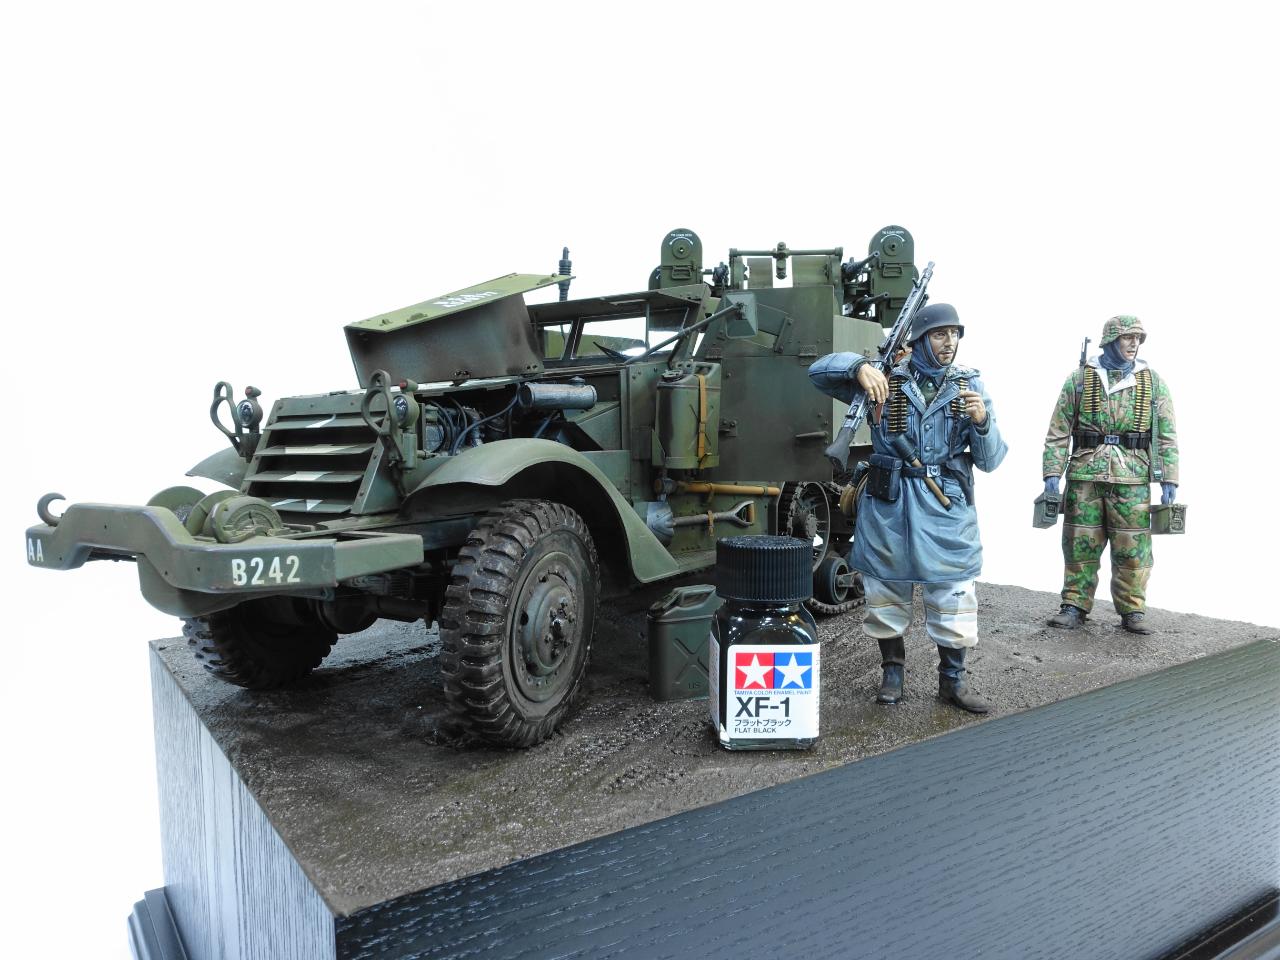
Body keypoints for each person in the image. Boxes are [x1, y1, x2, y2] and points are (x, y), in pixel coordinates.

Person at [808, 303, 1007, 713]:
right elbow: (818, 372)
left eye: (954, 334)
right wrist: (858, 368)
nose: (949, 342)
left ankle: (952, 681)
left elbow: (990, 461)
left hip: (945, 503)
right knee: (884, 591)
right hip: (890, 502)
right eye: (939, 334)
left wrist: (982, 421)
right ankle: (892, 672)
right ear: (918, 340)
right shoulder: (884, 379)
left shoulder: (969, 384)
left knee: (954, 594)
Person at [1042, 316, 1178, 634]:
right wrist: (1052, 472)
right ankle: (1074, 605)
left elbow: (1166, 435)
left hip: (1132, 477)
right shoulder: (1080, 379)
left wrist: (1169, 477)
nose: (1134, 344)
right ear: (1110, 341)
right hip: (1085, 475)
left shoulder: (1152, 382)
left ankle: (1133, 609)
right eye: (1127, 337)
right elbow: (1059, 430)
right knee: (1079, 545)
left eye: (1138, 338)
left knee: (1133, 549)